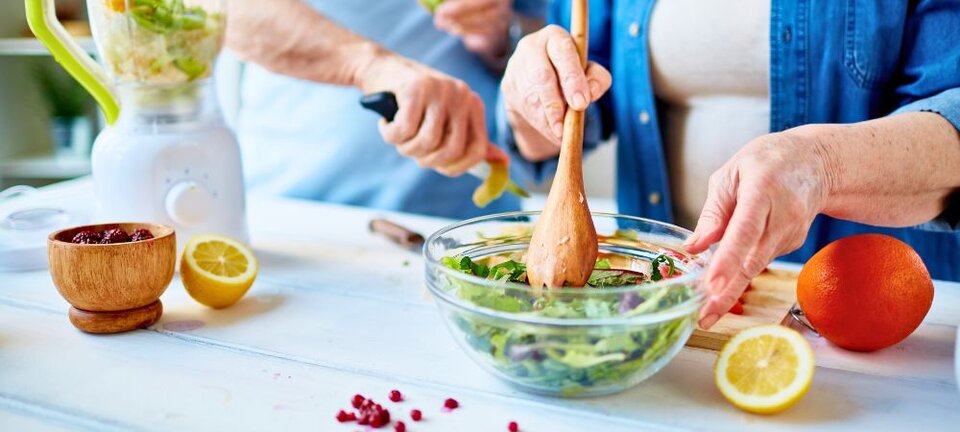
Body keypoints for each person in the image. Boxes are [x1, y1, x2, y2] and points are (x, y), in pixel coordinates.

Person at [498, 0, 960, 328]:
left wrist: (821, 165)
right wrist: (530, 99)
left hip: (878, 329)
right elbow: (569, 118)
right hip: (661, 315)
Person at [225, 0, 544, 219]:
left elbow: (556, 32)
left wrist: (501, 34)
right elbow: (216, 9)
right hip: (294, 211)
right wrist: (365, 65)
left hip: (468, 223)